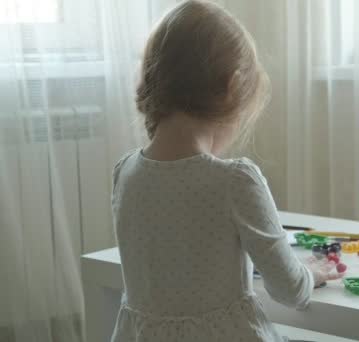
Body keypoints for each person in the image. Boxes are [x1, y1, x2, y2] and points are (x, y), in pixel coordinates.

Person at [110, 1, 341, 341]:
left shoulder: (125, 173)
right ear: (232, 86)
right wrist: (310, 274)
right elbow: (290, 290)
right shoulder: (234, 181)